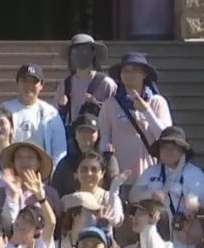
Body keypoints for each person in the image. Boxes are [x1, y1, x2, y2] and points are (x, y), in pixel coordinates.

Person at [99, 53, 173, 182]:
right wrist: (107, 160)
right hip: (119, 175)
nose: (129, 74)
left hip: (150, 174)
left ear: (144, 74)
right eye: (125, 70)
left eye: (135, 70)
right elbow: (104, 136)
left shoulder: (157, 102)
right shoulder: (109, 104)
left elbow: (166, 136)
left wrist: (146, 111)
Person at [2, 64, 68, 169]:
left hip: (41, 175)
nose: (28, 85)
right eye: (24, 81)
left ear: (41, 85)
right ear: (17, 83)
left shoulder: (50, 113)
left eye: (33, 82)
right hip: (11, 172)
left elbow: (59, 150)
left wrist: (53, 172)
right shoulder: (5, 109)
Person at [51, 109, 120, 198]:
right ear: (75, 135)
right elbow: (56, 194)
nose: (86, 135)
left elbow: (115, 191)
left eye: (90, 131)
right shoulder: (66, 164)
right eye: (81, 131)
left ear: (98, 134)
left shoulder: (108, 161)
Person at [54, 34, 116, 129]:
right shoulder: (65, 85)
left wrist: (96, 105)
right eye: (76, 50)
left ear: (93, 53)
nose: (80, 53)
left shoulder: (106, 84)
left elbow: (116, 114)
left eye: (84, 49)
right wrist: (62, 107)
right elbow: (55, 115)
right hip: (74, 135)